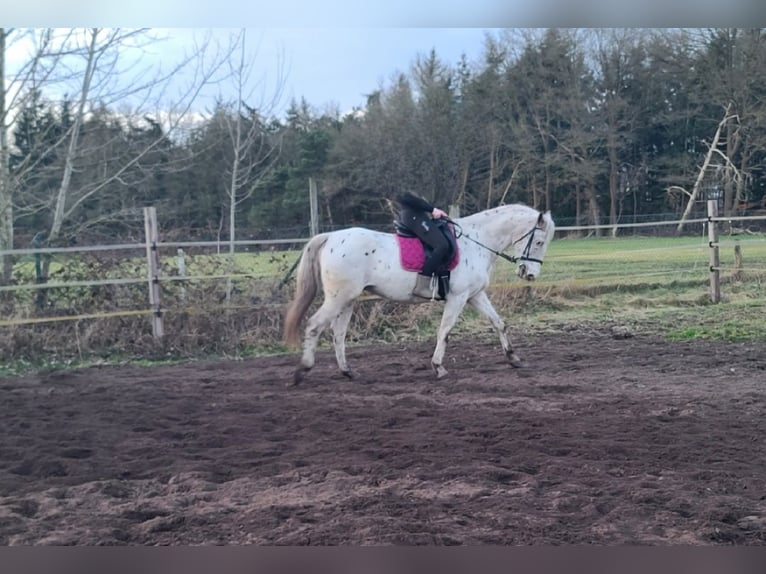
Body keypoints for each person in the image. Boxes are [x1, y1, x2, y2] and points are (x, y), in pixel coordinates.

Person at [396, 192, 452, 299]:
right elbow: (406, 198)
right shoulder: (403, 183)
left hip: (417, 214)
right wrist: (432, 210)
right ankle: (422, 285)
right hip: (413, 215)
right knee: (442, 245)